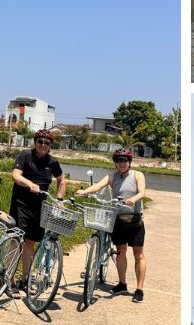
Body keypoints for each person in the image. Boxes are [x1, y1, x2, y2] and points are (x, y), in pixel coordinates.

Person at [77, 149, 148, 302]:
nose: (122, 163)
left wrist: (133, 199)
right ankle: (122, 284)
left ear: (129, 162)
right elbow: (97, 186)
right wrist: (84, 192)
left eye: (124, 160)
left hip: (135, 220)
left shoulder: (137, 175)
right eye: (118, 161)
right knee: (121, 251)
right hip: (118, 220)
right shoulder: (112, 176)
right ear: (115, 163)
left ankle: (139, 289)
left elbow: (142, 192)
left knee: (138, 254)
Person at [10, 129, 66, 299]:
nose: (43, 145)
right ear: (35, 143)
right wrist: (29, 183)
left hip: (39, 206)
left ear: (50, 146)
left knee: (30, 243)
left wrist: (59, 199)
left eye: (46, 143)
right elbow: (15, 175)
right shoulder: (25, 156)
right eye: (40, 142)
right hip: (21, 204)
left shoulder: (53, 162)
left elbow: (62, 180)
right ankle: (9, 280)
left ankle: (25, 280)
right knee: (17, 240)